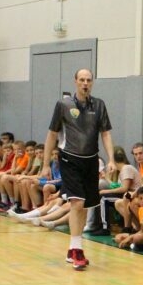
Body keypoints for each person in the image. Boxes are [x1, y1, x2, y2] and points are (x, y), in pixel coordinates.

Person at [40, 68, 115, 270]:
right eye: (82, 80)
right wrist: (46, 164)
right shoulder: (63, 105)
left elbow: (105, 133)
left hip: (91, 160)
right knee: (77, 203)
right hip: (69, 159)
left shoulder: (99, 105)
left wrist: (111, 159)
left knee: (84, 206)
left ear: (92, 82)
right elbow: (52, 134)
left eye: (88, 80)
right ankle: (77, 250)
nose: (85, 83)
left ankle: (73, 247)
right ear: (75, 81)